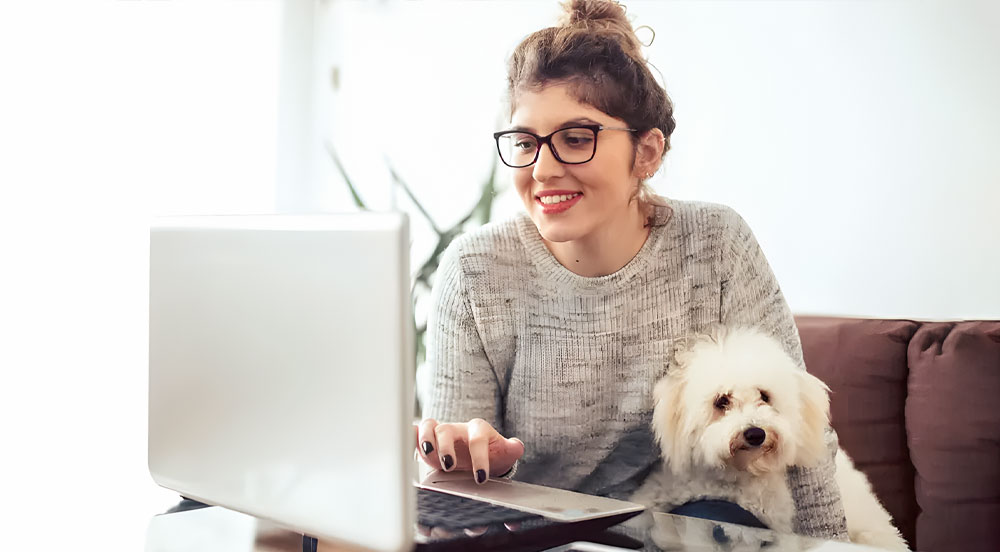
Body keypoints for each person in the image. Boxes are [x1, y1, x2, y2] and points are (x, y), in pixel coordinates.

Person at [414, 0, 848, 540]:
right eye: (524, 142)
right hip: (536, 533)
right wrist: (480, 461)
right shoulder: (476, 271)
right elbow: (450, 488)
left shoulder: (716, 244)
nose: (543, 169)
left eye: (577, 137)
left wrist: (833, 547)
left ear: (647, 153)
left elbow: (804, 429)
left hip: (688, 524)